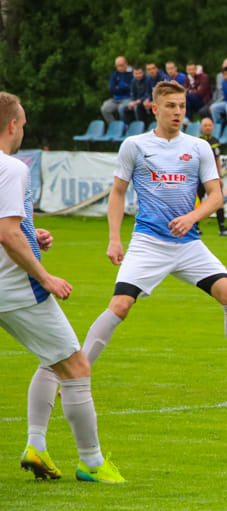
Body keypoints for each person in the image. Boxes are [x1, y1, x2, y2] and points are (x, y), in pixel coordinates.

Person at [81, 81, 227, 394]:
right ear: (155, 109)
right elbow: (118, 193)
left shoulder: (198, 147)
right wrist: (114, 239)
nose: (178, 112)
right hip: (149, 243)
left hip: (189, 244)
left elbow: (215, 196)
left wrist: (192, 217)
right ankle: (77, 374)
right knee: (120, 305)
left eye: (182, 106)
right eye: (171, 106)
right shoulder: (134, 146)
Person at [0, 91, 125, 483]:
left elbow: (10, 228)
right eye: (24, 123)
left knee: (52, 360)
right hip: (14, 289)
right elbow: (6, 232)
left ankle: (36, 443)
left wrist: (30, 235)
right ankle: (91, 462)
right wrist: (45, 276)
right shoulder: (13, 168)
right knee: (74, 366)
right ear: (13, 125)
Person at [198, 117, 227, 237]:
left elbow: (217, 160)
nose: (207, 127)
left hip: (212, 176)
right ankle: (195, 226)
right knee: (197, 200)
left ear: (213, 127)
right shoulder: (197, 141)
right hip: (200, 176)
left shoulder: (215, 141)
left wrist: (220, 176)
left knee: (219, 199)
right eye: (205, 125)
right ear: (201, 127)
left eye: (209, 125)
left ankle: (222, 227)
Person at [100, 56, 133, 124]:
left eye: (121, 65)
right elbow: (112, 89)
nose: (120, 68)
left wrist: (119, 87)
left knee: (121, 108)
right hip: (116, 99)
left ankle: (125, 126)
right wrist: (123, 87)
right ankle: (115, 126)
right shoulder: (114, 75)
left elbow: (132, 88)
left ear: (126, 64)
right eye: (118, 66)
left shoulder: (132, 74)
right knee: (105, 109)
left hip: (128, 98)